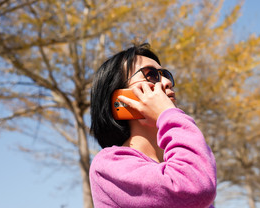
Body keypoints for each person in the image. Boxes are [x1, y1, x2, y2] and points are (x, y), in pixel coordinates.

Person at [89, 42, 217, 208]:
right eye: (151, 75)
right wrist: (169, 114)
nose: (166, 82)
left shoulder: (181, 163)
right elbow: (195, 187)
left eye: (166, 75)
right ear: (119, 100)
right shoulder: (108, 166)